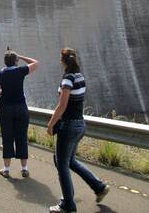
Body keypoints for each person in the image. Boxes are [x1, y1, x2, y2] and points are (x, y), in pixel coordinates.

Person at [46, 48, 110, 212]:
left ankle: (68, 205)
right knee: (71, 161)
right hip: (80, 124)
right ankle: (99, 186)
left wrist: (51, 123)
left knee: (62, 164)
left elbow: (62, 105)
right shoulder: (79, 76)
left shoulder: (68, 79)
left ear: (63, 61)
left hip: (68, 126)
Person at [0, 50, 38, 178]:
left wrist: (3, 92)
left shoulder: (0, 74)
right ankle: (24, 169)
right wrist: (21, 56)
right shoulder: (20, 71)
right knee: (21, 137)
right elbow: (35, 63)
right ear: (16, 61)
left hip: (6, 109)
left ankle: (6, 169)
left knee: (7, 138)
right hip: (21, 108)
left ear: (5, 62)